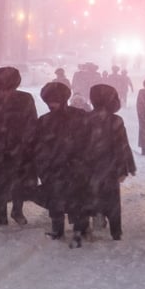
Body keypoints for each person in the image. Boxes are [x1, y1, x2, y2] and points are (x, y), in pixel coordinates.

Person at [0, 66, 40, 226]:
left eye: (7, 88)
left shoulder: (24, 99)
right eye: (1, 89)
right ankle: (1, 214)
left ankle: (17, 210)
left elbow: (32, 123)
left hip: (18, 149)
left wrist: (28, 144)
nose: (4, 94)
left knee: (19, 181)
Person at [33, 81, 91, 246]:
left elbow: (38, 146)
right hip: (66, 167)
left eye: (54, 101)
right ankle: (70, 230)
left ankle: (69, 230)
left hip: (64, 167)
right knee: (68, 199)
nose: (52, 105)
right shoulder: (79, 116)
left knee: (66, 199)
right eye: (50, 102)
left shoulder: (47, 120)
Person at [84, 84, 136, 240]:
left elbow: (78, 144)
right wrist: (125, 168)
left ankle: (93, 217)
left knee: (90, 195)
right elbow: (122, 146)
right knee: (112, 199)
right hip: (110, 167)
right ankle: (115, 231)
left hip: (89, 166)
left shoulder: (85, 119)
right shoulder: (116, 120)